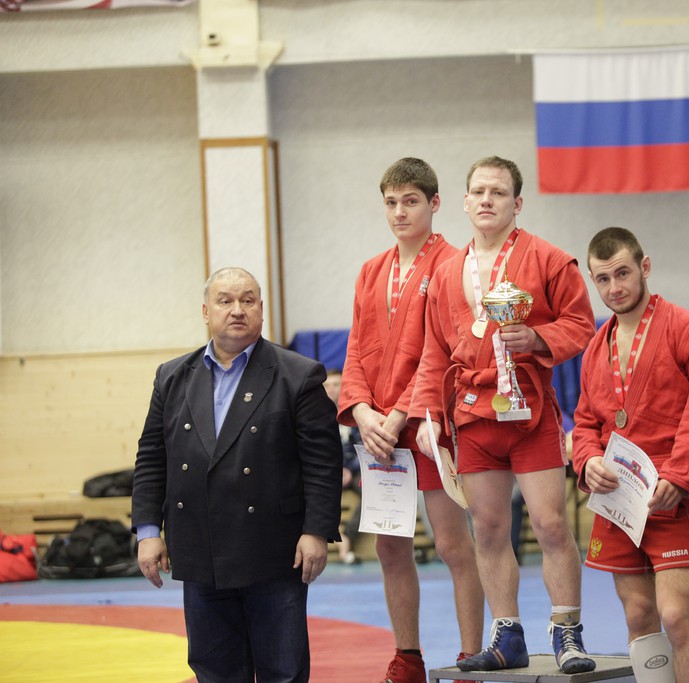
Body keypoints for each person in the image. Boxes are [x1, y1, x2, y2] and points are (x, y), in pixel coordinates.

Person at [411, 156, 597, 674]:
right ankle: (507, 634)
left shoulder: (550, 260)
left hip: (530, 412)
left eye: (498, 192)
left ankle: (567, 633)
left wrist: (537, 337)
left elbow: (582, 324)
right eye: (479, 191)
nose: (487, 200)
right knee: (489, 529)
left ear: (517, 203)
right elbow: (433, 351)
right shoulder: (446, 273)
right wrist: (428, 417)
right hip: (473, 414)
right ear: (465, 202)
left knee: (551, 524)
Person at [131, 267, 344, 683]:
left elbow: (322, 462)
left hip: (275, 550)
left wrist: (316, 530)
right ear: (205, 311)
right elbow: (152, 457)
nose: (237, 310)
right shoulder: (171, 377)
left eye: (248, 300)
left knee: (283, 672)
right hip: (199, 547)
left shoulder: (298, 374)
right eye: (225, 301)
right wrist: (148, 531)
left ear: (261, 309)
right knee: (215, 672)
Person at [336, 157, 484, 683]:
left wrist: (400, 414)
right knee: (389, 547)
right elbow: (356, 350)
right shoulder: (371, 271)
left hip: (427, 427)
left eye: (411, 201)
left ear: (434, 203)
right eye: (391, 202)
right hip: (380, 433)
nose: (400, 212)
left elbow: (441, 351)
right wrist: (360, 411)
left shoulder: (453, 264)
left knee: (452, 544)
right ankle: (407, 657)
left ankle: (471, 657)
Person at [573, 227, 689, 683]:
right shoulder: (595, 348)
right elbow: (585, 420)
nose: (614, 287)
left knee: (675, 615)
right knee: (638, 614)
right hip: (618, 500)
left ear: (644, 266)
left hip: (671, 495)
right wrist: (588, 460)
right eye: (603, 279)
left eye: (623, 273)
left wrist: (680, 475)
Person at [323, 368, 362, 565]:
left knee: (372, 492)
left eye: (335, 384)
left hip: (354, 472)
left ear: (343, 386)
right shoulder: (314, 416)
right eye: (327, 385)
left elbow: (363, 446)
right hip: (326, 473)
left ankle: (346, 535)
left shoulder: (355, 412)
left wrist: (350, 470)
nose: (331, 389)